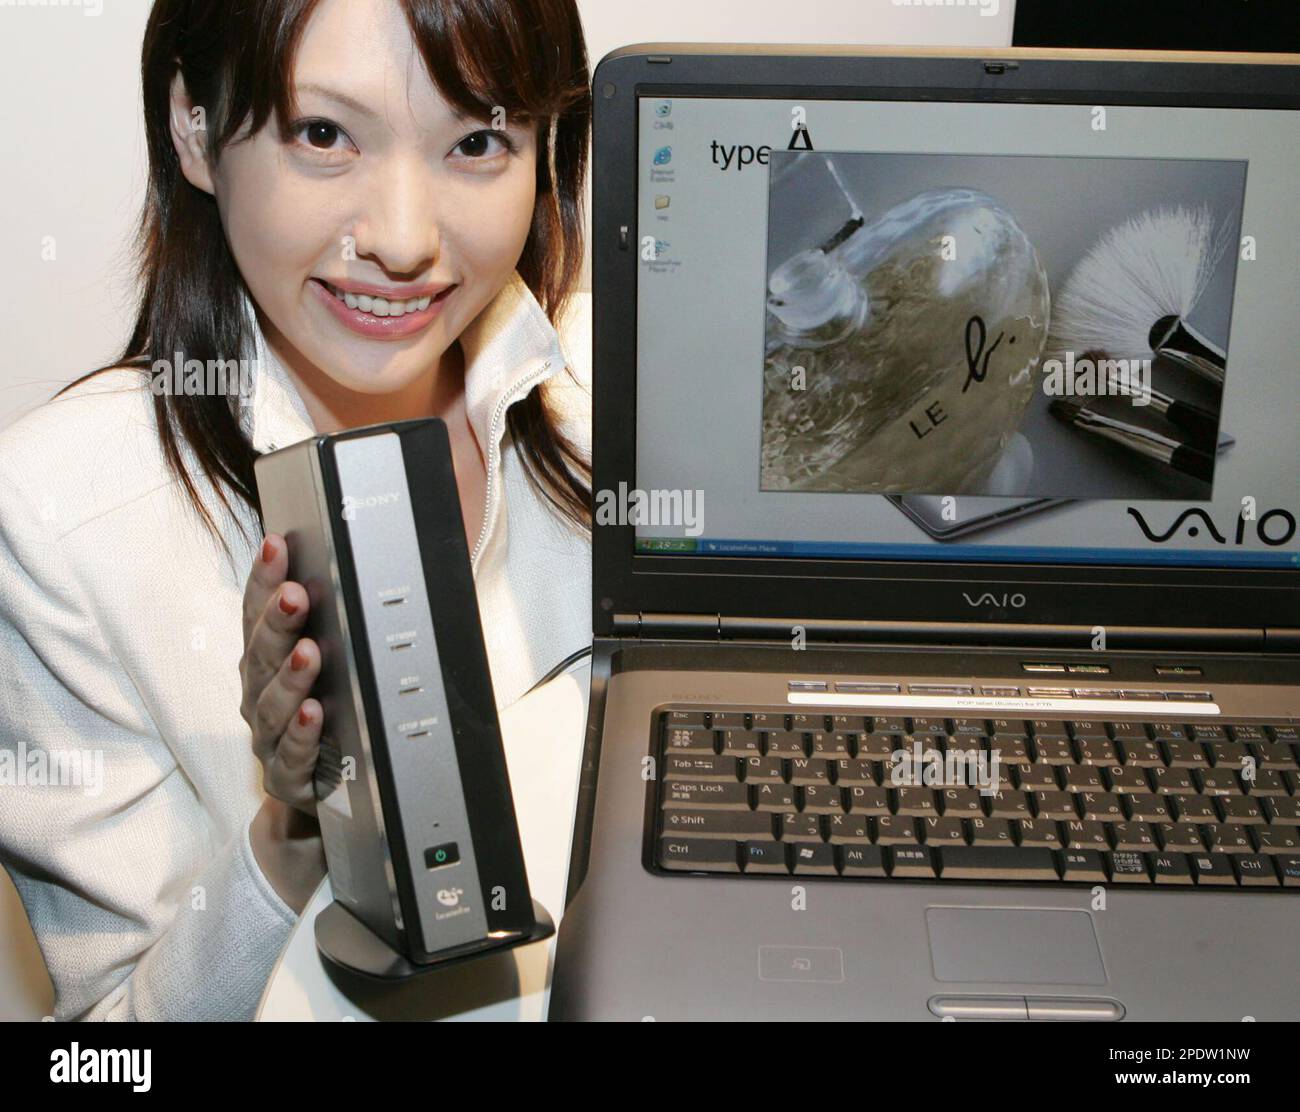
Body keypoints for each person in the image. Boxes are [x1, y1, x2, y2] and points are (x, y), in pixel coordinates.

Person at [0, 0, 593, 1021]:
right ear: (194, 130)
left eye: (476, 142)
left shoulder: (620, 411)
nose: (402, 241)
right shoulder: (63, 518)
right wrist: (295, 826)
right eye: (324, 134)